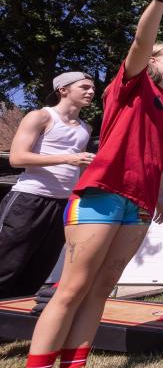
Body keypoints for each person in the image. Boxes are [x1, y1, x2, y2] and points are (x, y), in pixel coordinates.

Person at [1, 0, 163, 368]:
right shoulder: (133, 84)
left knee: (101, 291)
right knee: (72, 290)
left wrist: (160, 194)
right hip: (102, 194)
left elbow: (155, 156)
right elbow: (141, 44)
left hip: (138, 205)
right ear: (156, 61)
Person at [0, 73, 94, 299]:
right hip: (28, 199)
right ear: (63, 90)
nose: (91, 92)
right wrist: (68, 158)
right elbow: (17, 158)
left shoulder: (85, 128)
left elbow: (79, 167)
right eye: (84, 87)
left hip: (62, 205)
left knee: (38, 269)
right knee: (6, 262)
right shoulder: (40, 116)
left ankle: (10, 329)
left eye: (92, 88)